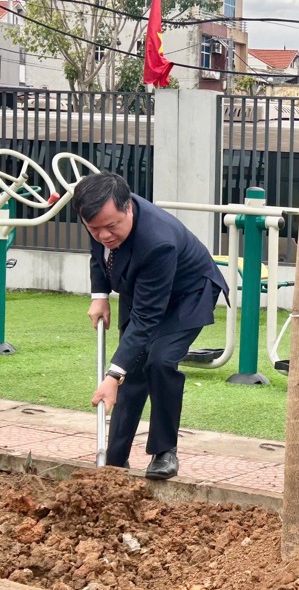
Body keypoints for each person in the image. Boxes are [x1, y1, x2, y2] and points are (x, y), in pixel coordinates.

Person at [75, 173, 229, 480]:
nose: (104, 234)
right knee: (131, 366)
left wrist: (111, 376)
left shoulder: (157, 241)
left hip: (187, 295)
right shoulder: (99, 219)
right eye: (94, 228)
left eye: (111, 226)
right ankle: (114, 459)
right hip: (142, 287)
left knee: (159, 360)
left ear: (128, 208)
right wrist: (100, 295)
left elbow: (146, 319)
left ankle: (164, 452)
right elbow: (100, 255)